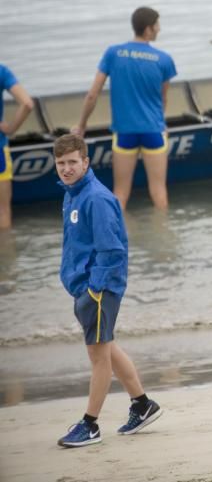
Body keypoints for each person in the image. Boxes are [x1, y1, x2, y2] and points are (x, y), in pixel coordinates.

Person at [53, 133, 162, 447]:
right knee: (107, 347)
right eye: (61, 163)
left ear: (85, 162)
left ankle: (90, 425)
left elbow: (112, 251)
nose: (67, 169)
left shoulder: (96, 198)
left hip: (98, 291)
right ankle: (142, 405)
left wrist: (94, 290)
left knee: (97, 355)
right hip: (83, 289)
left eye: (73, 162)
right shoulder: (71, 193)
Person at [75, 7, 177, 210]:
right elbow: (163, 99)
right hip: (153, 131)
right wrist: (160, 122)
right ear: (148, 29)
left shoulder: (113, 53)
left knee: (120, 193)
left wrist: (81, 125)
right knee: (158, 191)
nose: (159, 29)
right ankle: (163, 238)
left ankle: (117, 239)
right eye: (157, 25)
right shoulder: (163, 59)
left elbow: (92, 95)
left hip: (124, 132)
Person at [0, 64, 35, 228]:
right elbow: (27, 104)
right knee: (3, 211)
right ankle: (7, 253)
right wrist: (10, 129)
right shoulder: (2, 71)